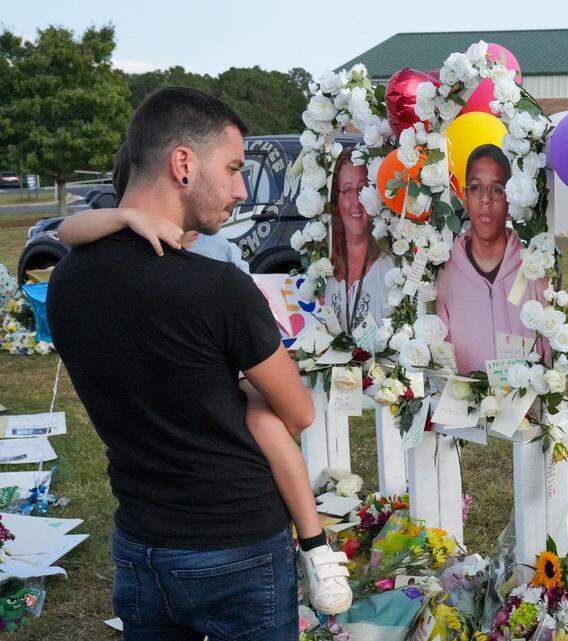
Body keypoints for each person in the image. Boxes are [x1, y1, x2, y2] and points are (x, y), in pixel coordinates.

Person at [46, 87, 346, 640]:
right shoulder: (217, 288)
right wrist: (250, 387)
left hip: (139, 545)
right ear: (183, 163)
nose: (239, 190)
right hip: (237, 549)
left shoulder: (66, 281)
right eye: (233, 168)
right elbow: (298, 412)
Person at [435, 144, 549, 375]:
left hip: (523, 407)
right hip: (463, 406)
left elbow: (548, 354)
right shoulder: (445, 275)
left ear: (509, 201)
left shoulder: (534, 271)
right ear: (465, 197)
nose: (486, 199)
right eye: (476, 188)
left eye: (496, 189)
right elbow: (440, 360)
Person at [327, 149, 395, 332]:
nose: (356, 201)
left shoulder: (390, 270)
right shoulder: (325, 271)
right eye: (347, 190)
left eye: (362, 189)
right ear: (336, 200)